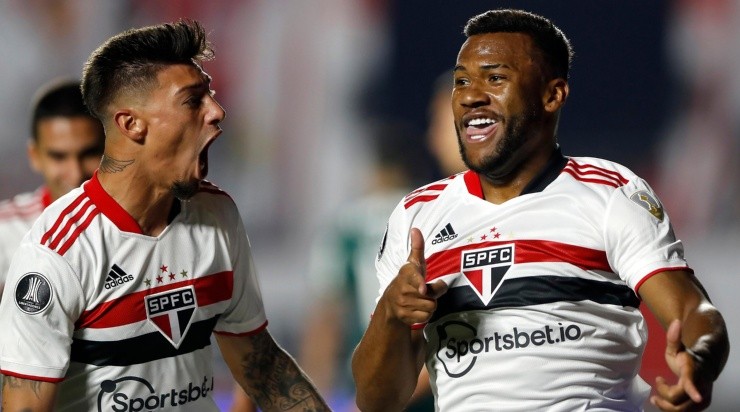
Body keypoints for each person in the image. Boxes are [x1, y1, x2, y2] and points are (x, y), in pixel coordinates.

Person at [352, 8, 729, 412]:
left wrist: (700, 360)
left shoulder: (609, 194)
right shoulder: (416, 216)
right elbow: (377, 401)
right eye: (462, 81)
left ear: (553, 95)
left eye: (495, 78)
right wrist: (392, 314)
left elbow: (693, 312)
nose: (470, 95)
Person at [0, 19, 329, 412]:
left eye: (210, 96)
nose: (217, 111)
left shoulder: (216, 214)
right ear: (131, 124)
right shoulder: (57, 253)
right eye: (193, 100)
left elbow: (261, 365)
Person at [0, 79, 105, 296]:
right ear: (34, 155)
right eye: (59, 156)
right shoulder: (5, 229)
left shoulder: (148, 219)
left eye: (90, 153)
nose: (75, 172)